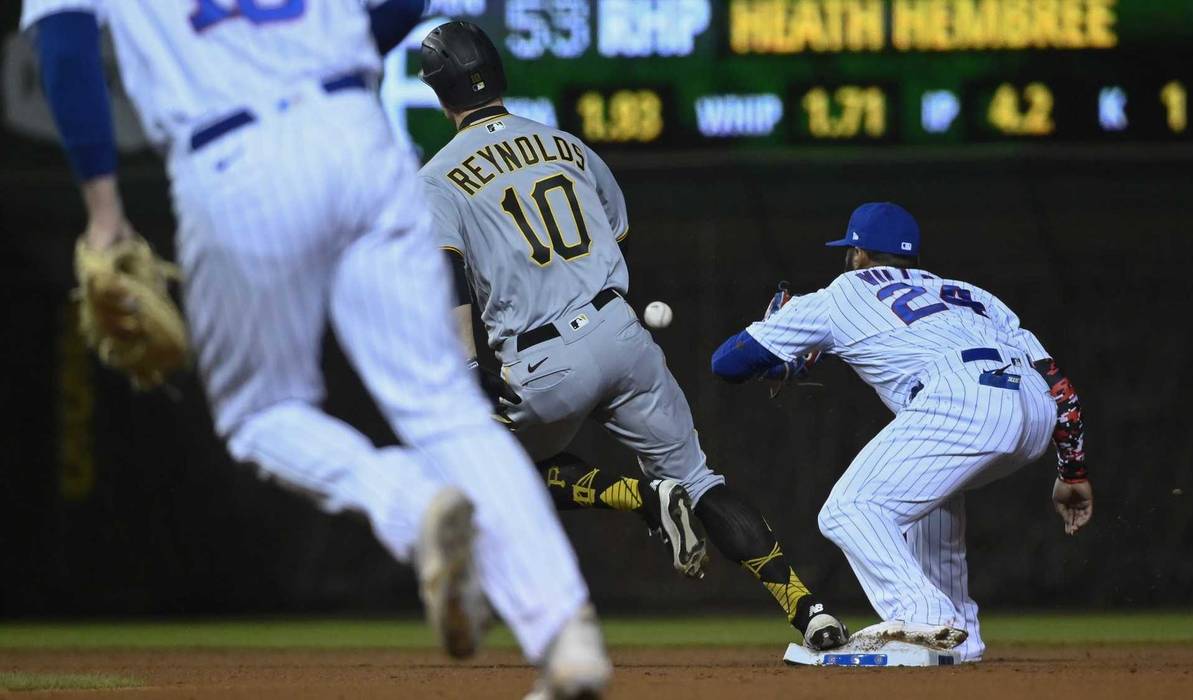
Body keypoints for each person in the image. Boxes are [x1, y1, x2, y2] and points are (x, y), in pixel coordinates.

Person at [22, 1, 610, 695]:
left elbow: (63, 47)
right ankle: (566, 637)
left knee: (260, 413)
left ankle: (407, 504)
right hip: (358, 133)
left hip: (233, 158)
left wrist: (104, 215)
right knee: (444, 404)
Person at [417, 20, 849, 652]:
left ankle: (639, 496)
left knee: (489, 473)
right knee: (702, 480)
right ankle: (810, 613)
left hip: (542, 358)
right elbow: (613, 231)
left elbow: (444, 272)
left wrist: (462, 365)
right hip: (624, 331)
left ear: (438, 91)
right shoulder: (567, 145)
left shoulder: (436, 176)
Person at [710, 202, 1093, 661]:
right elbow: (1059, 386)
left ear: (858, 254)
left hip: (962, 398)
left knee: (850, 509)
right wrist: (1072, 472)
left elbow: (727, 362)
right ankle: (961, 639)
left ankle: (924, 620)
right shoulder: (968, 293)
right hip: (1033, 409)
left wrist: (779, 343)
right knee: (932, 504)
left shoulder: (843, 291)